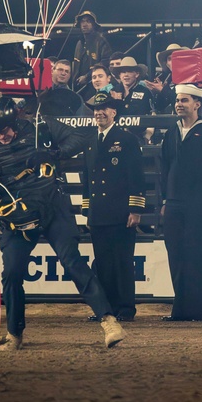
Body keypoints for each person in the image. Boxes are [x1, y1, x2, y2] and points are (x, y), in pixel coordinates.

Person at [0, 95, 126, 350]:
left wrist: (52, 153)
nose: (1, 137)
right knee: (12, 273)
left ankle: (108, 320)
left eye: (4, 131)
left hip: (52, 208)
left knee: (72, 261)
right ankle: (15, 333)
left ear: (15, 121)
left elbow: (81, 138)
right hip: (16, 218)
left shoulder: (41, 126)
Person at [159, 84, 202, 321]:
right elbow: (164, 168)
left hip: (199, 203)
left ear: (197, 104)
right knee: (175, 254)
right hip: (174, 204)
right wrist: (164, 199)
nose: (179, 104)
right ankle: (180, 310)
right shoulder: (171, 132)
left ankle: (197, 310)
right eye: (178, 100)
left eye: (185, 100)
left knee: (196, 254)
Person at [82, 92, 144, 322]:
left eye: (104, 109)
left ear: (113, 112)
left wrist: (136, 209)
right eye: (96, 110)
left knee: (123, 263)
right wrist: (87, 212)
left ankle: (126, 309)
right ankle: (106, 310)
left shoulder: (126, 139)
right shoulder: (90, 141)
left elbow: (137, 176)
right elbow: (86, 179)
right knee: (103, 264)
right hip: (98, 213)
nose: (99, 113)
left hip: (121, 212)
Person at [72, 11, 112, 90]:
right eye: (82, 21)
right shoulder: (79, 43)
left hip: (95, 85)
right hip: (79, 86)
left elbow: (106, 62)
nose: (85, 24)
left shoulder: (101, 41)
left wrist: (87, 77)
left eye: (88, 21)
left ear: (94, 25)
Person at [147, 44, 184, 112]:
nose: (173, 61)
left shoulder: (189, 78)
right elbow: (160, 107)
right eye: (169, 59)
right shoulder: (168, 80)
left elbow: (183, 102)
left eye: (175, 58)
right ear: (167, 64)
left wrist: (162, 90)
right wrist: (157, 93)